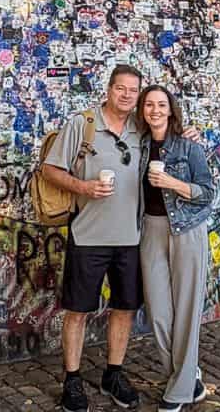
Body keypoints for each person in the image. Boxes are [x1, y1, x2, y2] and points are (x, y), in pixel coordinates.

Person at [42, 65, 146, 411]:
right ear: (109, 89)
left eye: (133, 90)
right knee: (78, 311)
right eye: (121, 89)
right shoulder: (83, 124)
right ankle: (72, 379)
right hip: (87, 236)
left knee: (125, 309)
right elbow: (50, 169)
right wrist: (84, 187)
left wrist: (187, 132)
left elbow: (170, 138)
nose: (127, 95)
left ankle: (113, 373)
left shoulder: (140, 129)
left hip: (130, 238)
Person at [137, 84, 216, 411]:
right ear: (142, 111)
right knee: (157, 312)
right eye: (149, 105)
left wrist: (173, 184)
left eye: (161, 105)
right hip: (151, 230)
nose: (155, 110)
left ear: (171, 111)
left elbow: (208, 193)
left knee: (186, 309)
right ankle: (186, 377)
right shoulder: (137, 145)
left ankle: (181, 390)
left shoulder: (188, 147)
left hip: (187, 230)